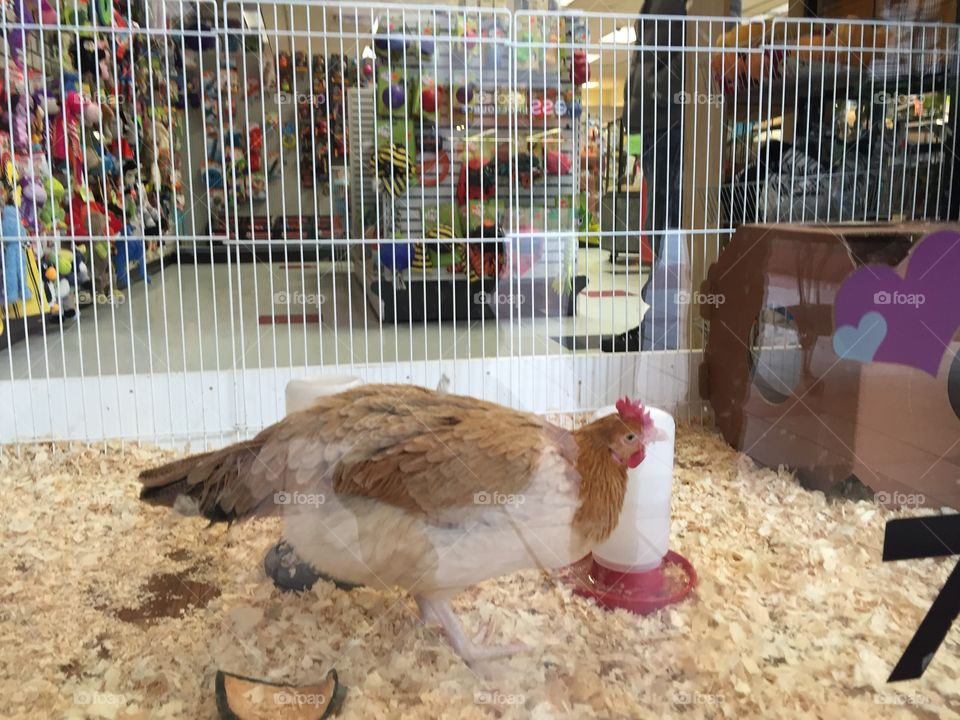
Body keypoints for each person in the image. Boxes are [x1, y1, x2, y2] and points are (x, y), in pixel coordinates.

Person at [606, 0, 687, 352]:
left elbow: (694, 47)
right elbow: (643, 58)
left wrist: (663, 99)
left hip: (670, 119)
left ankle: (661, 325)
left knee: (671, 225)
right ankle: (657, 322)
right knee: (661, 223)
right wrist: (633, 131)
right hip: (652, 124)